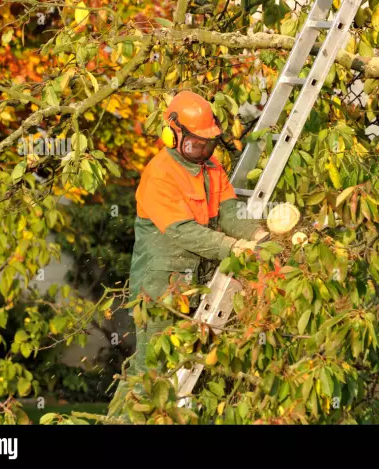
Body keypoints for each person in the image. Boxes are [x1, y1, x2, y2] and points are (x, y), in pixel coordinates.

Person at [107, 91, 268, 417]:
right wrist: (233, 247)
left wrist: (258, 234)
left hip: (200, 282)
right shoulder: (160, 173)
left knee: (194, 367)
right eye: (195, 144)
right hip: (161, 287)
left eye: (207, 144)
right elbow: (182, 231)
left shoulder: (212, 169)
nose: (202, 151)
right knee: (151, 370)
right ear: (172, 135)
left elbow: (229, 213)